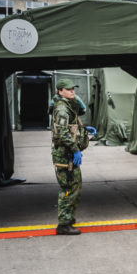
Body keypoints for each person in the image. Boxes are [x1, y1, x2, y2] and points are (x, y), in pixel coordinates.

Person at [50, 78, 89, 235]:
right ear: (60, 91)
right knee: (68, 188)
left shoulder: (68, 106)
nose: (72, 91)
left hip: (68, 153)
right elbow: (62, 133)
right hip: (64, 154)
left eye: (73, 88)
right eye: (68, 89)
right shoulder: (61, 109)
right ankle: (63, 224)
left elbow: (74, 122)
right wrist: (75, 150)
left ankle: (69, 217)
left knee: (75, 186)